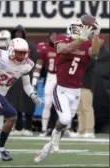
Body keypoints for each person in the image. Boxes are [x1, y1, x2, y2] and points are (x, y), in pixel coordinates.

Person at [34, 20, 101, 163]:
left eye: (80, 28)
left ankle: (50, 143)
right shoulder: (61, 38)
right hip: (61, 89)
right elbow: (63, 49)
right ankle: (55, 134)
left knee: (67, 122)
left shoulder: (86, 43)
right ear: (70, 29)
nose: (78, 30)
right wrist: (81, 39)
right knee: (64, 119)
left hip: (76, 90)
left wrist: (95, 35)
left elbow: (94, 53)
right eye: (76, 28)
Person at [7, 25, 38, 136]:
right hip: (15, 78)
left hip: (27, 76)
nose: (18, 35)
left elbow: (33, 62)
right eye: (16, 33)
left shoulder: (31, 47)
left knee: (29, 103)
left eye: (20, 33)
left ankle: (28, 128)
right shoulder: (10, 46)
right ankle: (19, 127)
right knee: (16, 104)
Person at [32, 32, 57, 137]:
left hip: (62, 78)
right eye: (52, 36)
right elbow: (38, 66)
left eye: (56, 36)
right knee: (47, 104)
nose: (54, 38)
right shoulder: (45, 49)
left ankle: (65, 129)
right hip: (50, 77)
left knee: (62, 105)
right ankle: (44, 129)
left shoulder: (64, 48)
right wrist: (34, 81)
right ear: (49, 38)